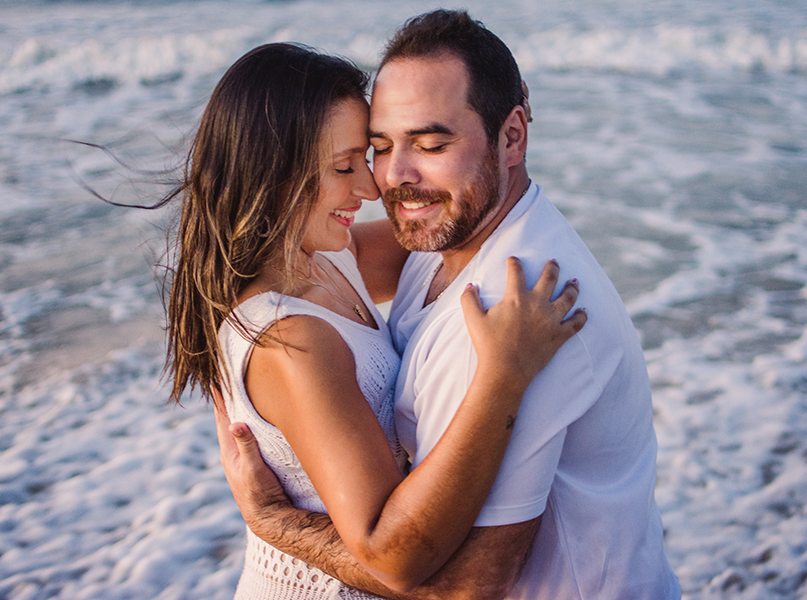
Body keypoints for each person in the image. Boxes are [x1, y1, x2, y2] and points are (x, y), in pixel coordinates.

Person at [217, 10, 681, 599]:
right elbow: (277, 257)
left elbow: (463, 588)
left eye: (432, 144)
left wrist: (275, 523)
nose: (387, 181)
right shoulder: (440, 240)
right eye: (378, 148)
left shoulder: (510, 316)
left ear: (512, 136)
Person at [163, 42, 586, 599]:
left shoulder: (327, 258)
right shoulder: (293, 339)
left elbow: (454, 212)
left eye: (369, 155)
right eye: (344, 167)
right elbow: (394, 555)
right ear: (272, 174)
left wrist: (495, 113)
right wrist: (502, 377)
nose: (370, 188)